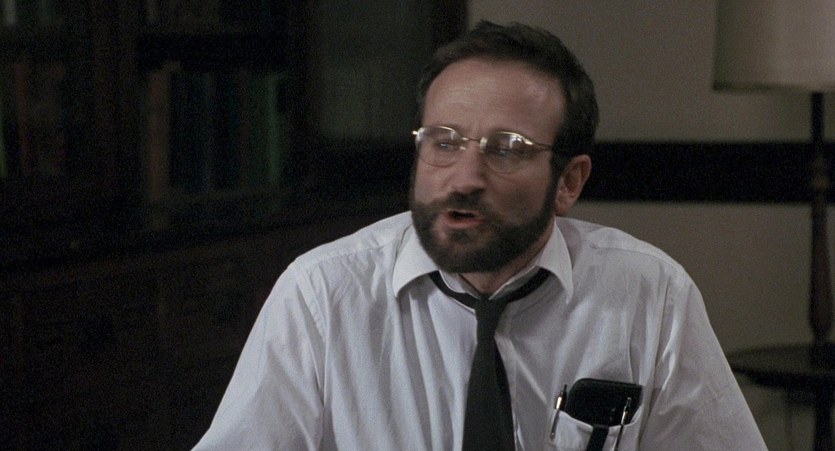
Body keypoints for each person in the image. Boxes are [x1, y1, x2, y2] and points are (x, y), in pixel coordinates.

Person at [193, 21, 767, 450]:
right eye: (443, 142)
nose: (464, 178)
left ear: (568, 182)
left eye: (507, 150)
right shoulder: (322, 294)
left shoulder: (650, 293)